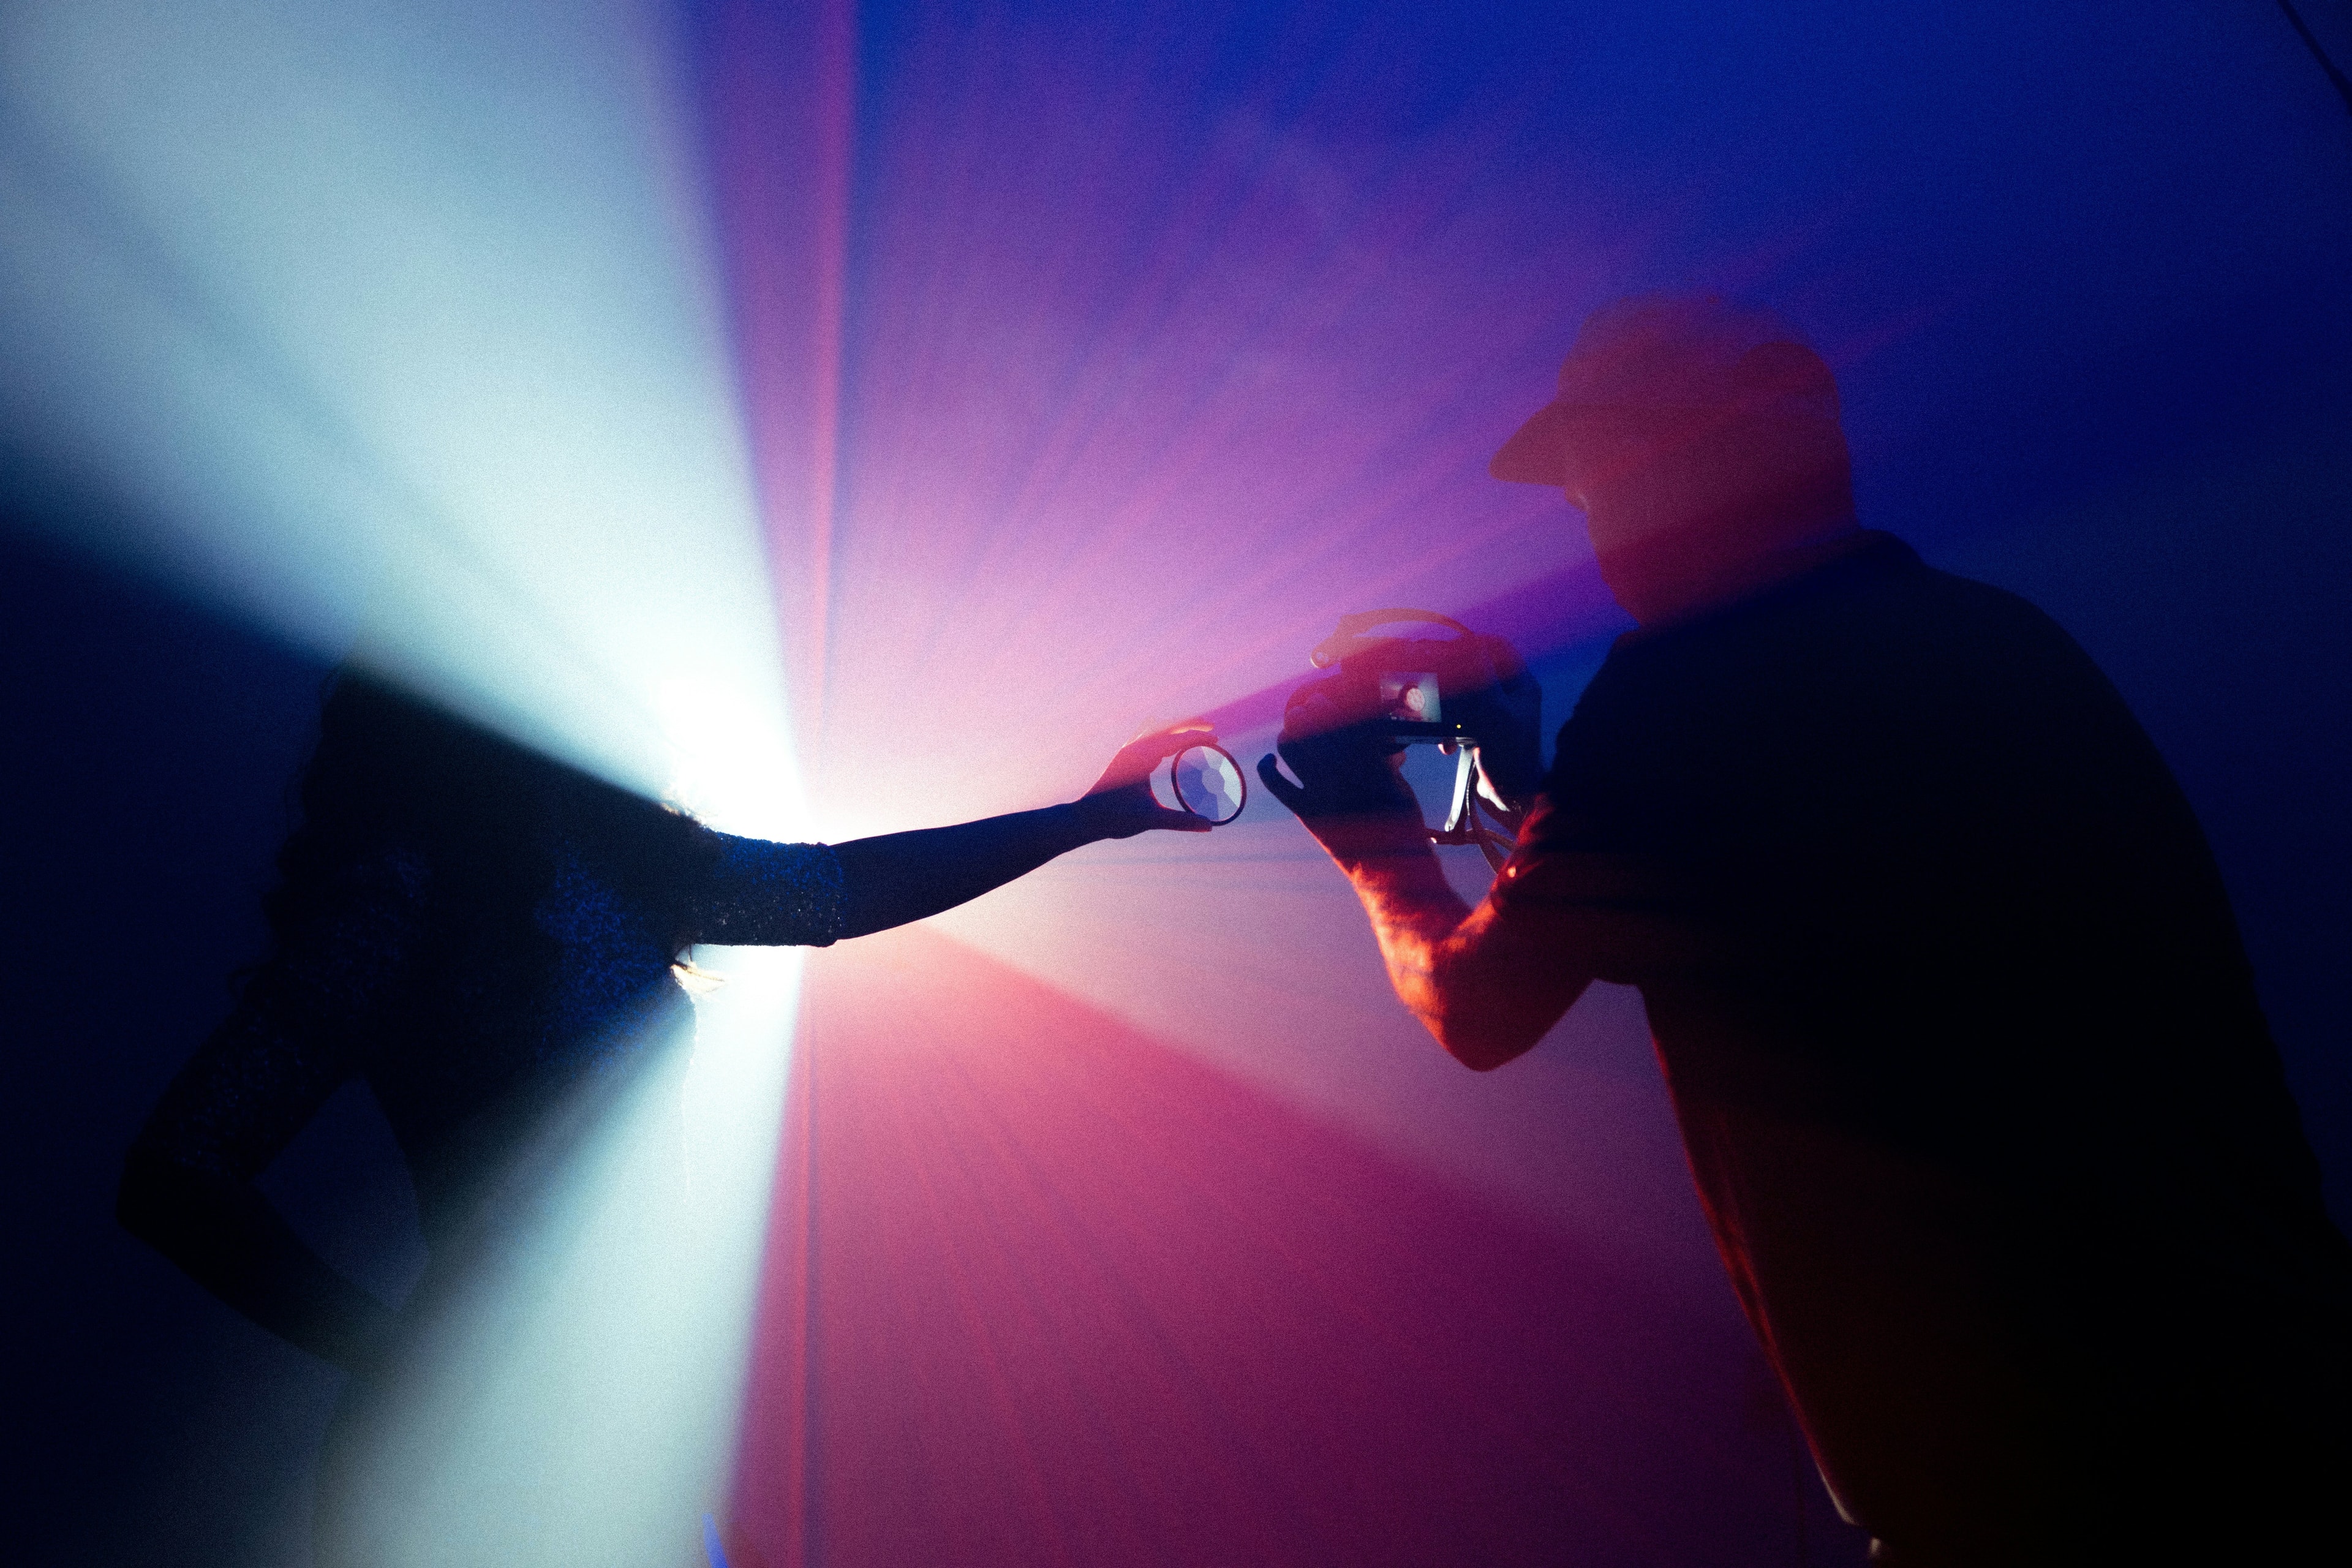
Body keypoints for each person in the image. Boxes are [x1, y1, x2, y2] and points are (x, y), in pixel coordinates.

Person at [1257, 294, 2352, 1565]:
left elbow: (1480, 1006)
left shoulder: (1685, 691)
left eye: (1608, 471)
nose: (1602, 515)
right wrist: (1544, 780)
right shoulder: (1998, 639)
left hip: (2040, 1476)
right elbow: (1721, 900)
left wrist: (1374, 842)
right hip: (2280, 1390)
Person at [118, 669, 1218, 1558]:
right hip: (473, 1465)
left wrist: (1085, 822)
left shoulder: (623, 872)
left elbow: (843, 889)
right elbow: (175, 1173)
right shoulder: (401, 905)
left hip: (617, 1449)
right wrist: (393, 1352)